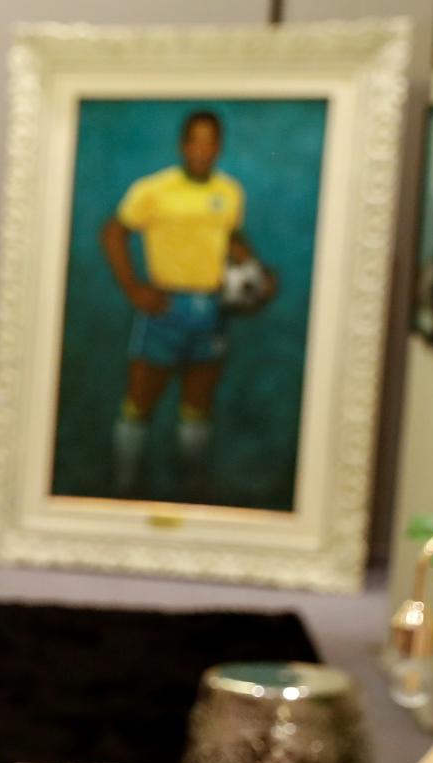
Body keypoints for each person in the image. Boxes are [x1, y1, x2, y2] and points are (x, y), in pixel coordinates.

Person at [101, 109, 274, 501]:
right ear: (183, 145)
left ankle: (192, 489)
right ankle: (124, 485)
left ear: (218, 147)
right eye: (195, 140)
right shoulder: (154, 189)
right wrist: (134, 289)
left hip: (210, 308)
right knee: (140, 398)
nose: (201, 149)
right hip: (165, 306)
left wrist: (257, 273)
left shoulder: (230, 192)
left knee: (198, 403)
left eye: (209, 141)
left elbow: (232, 240)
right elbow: (113, 233)